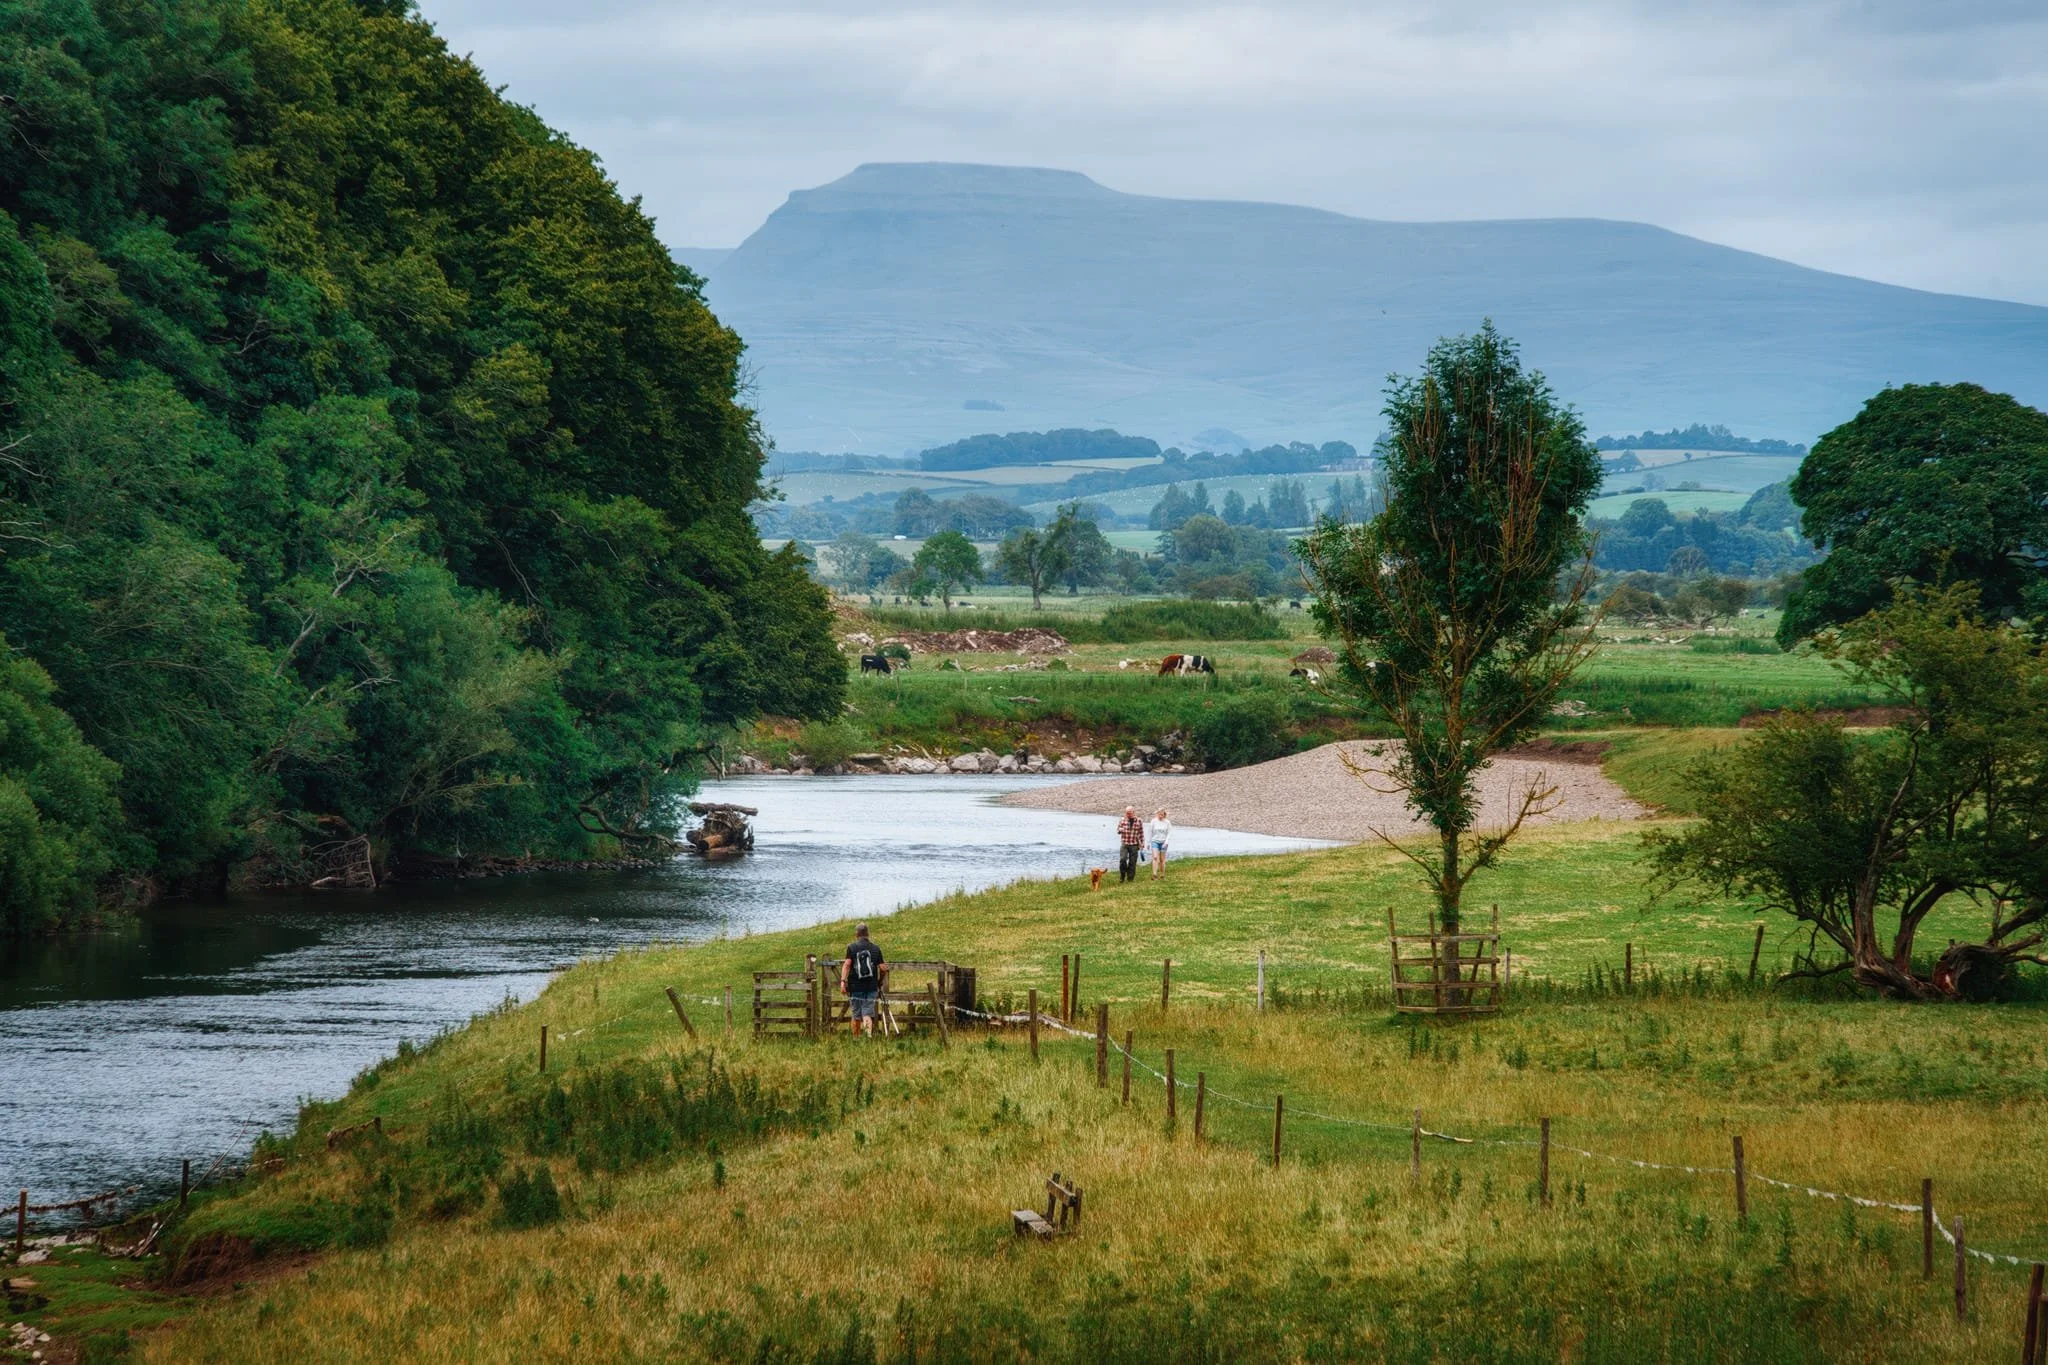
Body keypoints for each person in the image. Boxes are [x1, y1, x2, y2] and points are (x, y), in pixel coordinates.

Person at [840, 922, 887, 1036]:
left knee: (856, 1014)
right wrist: (880, 981)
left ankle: (856, 1039)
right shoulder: (876, 948)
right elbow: (883, 968)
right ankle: (867, 1038)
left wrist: (842, 982)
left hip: (855, 986)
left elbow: (847, 965)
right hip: (871, 987)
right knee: (867, 1013)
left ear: (857, 934)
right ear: (868, 934)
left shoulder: (852, 947)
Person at [1117, 805, 1145, 883]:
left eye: (1129, 813)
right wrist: (1120, 829)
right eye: (1127, 813)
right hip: (1124, 843)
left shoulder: (1139, 821)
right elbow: (1117, 830)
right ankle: (1122, 876)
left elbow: (1141, 833)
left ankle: (1130, 879)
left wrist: (1142, 843)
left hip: (1134, 844)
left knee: (1132, 862)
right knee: (1123, 859)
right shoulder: (1122, 820)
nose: (1128, 814)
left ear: (1133, 812)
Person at [1149, 808, 1172, 878]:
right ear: (1157, 814)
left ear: (1164, 815)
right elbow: (1150, 832)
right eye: (1159, 814)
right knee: (1155, 857)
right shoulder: (1153, 821)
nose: (1160, 816)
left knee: (1162, 859)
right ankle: (1154, 874)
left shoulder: (1167, 822)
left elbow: (1169, 833)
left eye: (1162, 815)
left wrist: (1166, 842)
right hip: (1154, 841)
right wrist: (1148, 843)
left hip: (1163, 842)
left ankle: (1162, 874)